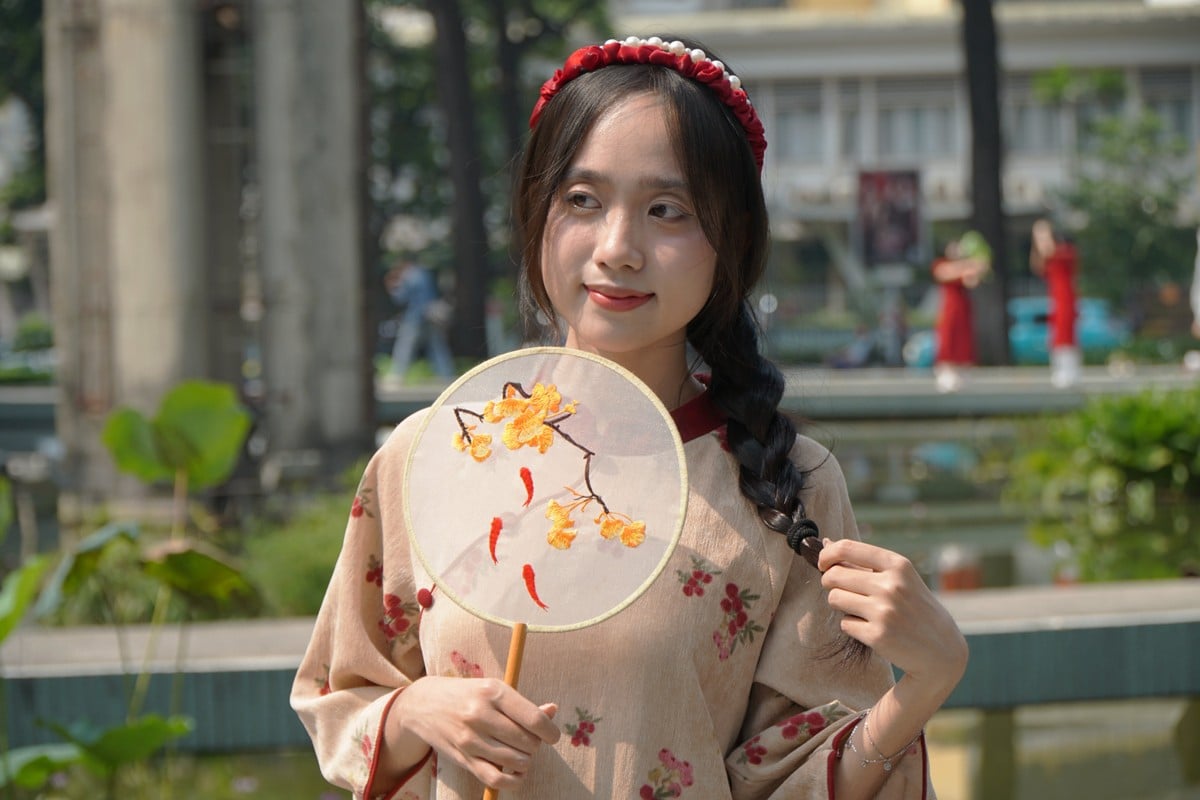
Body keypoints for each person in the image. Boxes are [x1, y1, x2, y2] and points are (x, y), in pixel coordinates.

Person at [292, 35, 967, 800]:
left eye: (666, 211)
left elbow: (788, 776)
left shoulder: (789, 484)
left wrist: (926, 681)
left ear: (731, 242)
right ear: (534, 213)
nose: (618, 248)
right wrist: (417, 710)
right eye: (582, 200)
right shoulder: (429, 455)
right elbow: (341, 695)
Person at [930, 236, 990, 393]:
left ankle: (963, 373)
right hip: (949, 310)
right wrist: (971, 263)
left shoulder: (965, 268)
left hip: (964, 310)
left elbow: (973, 281)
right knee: (948, 341)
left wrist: (979, 268)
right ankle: (945, 374)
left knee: (963, 343)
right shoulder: (941, 264)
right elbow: (944, 273)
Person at [385, 256, 455, 382]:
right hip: (431, 315)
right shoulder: (425, 274)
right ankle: (446, 375)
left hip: (415, 317)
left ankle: (397, 375)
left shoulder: (409, 276)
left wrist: (392, 287)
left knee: (405, 346)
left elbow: (401, 298)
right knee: (437, 347)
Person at [1029, 217, 1080, 388]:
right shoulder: (1049, 257)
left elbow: (1048, 251)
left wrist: (1042, 236)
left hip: (1066, 298)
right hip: (1056, 300)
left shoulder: (1064, 251)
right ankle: (1061, 370)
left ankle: (1069, 372)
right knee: (1057, 335)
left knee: (1065, 334)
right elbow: (1038, 265)